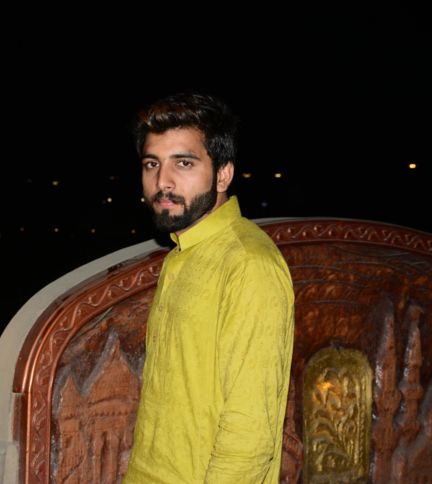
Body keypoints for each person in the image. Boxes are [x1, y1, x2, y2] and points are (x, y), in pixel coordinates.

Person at [123, 93, 295, 483]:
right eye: (152, 164)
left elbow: (250, 435)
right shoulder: (181, 254)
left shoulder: (248, 264)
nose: (162, 182)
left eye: (184, 163)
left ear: (223, 175)